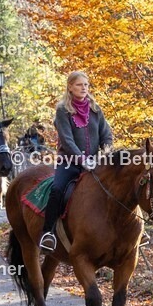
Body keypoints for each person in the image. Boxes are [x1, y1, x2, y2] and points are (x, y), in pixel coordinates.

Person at [39, 72, 113, 252]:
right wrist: (82, 159)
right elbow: (66, 139)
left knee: (118, 184)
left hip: (95, 163)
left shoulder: (95, 109)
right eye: (79, 85)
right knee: (57, 190)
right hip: (69, 162)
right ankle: (48, 233)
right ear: (70, 87)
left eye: (86, 85)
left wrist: (105, 151)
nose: (84, 88)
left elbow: (106, 135)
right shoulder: (62, 110)